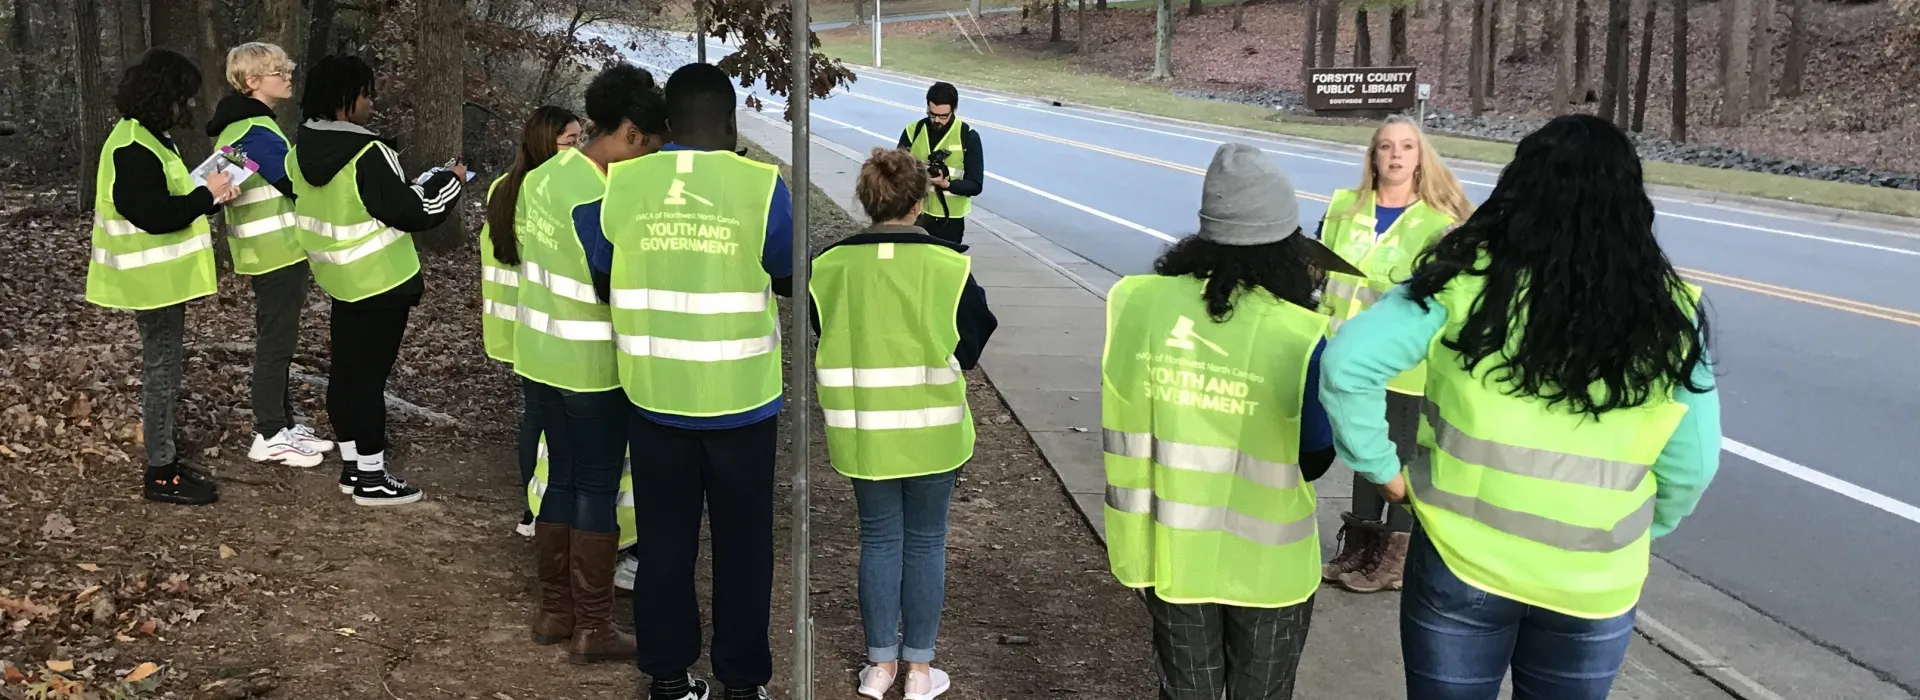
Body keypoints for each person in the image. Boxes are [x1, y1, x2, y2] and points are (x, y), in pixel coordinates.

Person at [1319, 114, 1721, 700]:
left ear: (1518, 190)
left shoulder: (1463, 280)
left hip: (1461, 558)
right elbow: (1694, 464)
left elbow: (1347, 363)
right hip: (1594, 580)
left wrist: (1382, 470)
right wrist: (1640, 528)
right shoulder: (1670, 313)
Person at [1101, 143, 1362, 700]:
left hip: (1172, 548)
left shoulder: (1139, 306)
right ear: (1288, 249)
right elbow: (1315, 455)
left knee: (1187, 689)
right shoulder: (1297, 333)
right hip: (1267, 563)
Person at [602, 61, 794, 700]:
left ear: (667, 121)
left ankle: (666, 677)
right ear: (731, 121)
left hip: (655, 397)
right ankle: (742, 682)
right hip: (743, 402)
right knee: (744, 549)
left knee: (663, 545)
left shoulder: (625, 183)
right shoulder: (761, 187)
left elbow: (602, 261)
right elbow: (787, 272)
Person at [810, 148, 999, 700]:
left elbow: (824, 328)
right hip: (933, 431)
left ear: (867, 202)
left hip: (863, 430)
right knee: (925, 542)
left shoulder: (830, 266)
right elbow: (970, 346)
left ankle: (880, 665)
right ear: (920, 203)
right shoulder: (949, 265)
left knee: (879, 539)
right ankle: (919, 669)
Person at [514, 65, 666, 666]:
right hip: (592, 364)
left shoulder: (543, 176)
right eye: (651, 148)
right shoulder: (602, 198)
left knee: (561, 477)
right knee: (597, 486)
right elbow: (613, 283)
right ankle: (594, 626)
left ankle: (556, 611)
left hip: (540, 354)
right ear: (631, 133)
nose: (651, 160)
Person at [289, 54, 465, 506]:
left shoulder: (297, 152)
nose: (372, 103)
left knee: (345, 374)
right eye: (366, 94)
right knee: (368, 381)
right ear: (344, 99)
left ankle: (353, 466)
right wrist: (451, 180)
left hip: (338, 278)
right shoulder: (369, 153)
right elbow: (414, 212)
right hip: (383, 282)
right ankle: (372, 478)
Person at [1315, 115, 1473, 594]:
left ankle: (1397, 553)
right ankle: (1361, 542)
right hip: (1346, 356)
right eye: (1386, 146)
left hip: (1406, 366)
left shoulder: (1438, 222)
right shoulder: (1343, 209)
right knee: (1361, 448)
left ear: (1420, 158)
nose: (1396, 155)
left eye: (1406, 146)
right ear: (1373, 156)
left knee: (1400, 458)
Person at [87, 48, 237, 506]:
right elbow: (154, 214)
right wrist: (206, 196)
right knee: (162, 371)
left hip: (162, 278)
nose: (187, 106)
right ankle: (161, 473)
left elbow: (170, 197)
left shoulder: (150, 137)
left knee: (166, 369)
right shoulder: (134, 145)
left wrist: (209, 195)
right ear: (162, 95)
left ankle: (165, 456)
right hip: (151, 282)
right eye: (182, 97)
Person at [205, 41, 336, 469]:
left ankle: (283, 424)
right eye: (279, 72)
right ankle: (269, 434)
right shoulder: (253, 130)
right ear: (252, 81)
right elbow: (296, 183)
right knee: (277, 344)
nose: (288, 77)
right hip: (277, 252)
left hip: (264, 251)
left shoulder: (238, 127)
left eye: (287, 69)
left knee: (276, 339)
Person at [477, 104, 582, 536]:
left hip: (517, 325)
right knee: (551, 422)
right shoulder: (547, 192)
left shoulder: (501, 187)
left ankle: (532, 508)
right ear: (545, 143)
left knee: (535, 418)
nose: (578, 149)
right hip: (550, 323)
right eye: (570, 141)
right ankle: (546, 509)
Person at [895, 82, 982, 245]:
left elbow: (975, 185)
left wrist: (947, 184)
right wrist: (919, 171)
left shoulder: (967, 136)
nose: (936, 120)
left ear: (954, 109)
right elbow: (895, 171)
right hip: (915, 215)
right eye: (932, 114)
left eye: (943, 116)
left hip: (950, 221)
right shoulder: (913, 131)